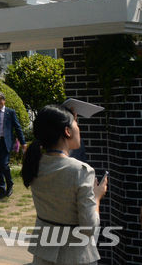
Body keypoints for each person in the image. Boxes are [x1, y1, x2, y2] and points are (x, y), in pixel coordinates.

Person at [21, 105, 108, 264]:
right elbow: (89, 228)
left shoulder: (34, 164)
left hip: (43, 252)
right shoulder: (81, 171)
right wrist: (97, 197)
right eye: (76, 123)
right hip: (75, 255)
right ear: (67, 131)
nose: (79, 128)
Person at [0, 91, 26, 198]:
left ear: (4, 101)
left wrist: (23, 143)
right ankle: (2, 189)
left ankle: (10, 184)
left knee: (4, 165)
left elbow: (18, 128)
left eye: (0, 99)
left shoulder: (10, 112)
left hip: (5, 142)